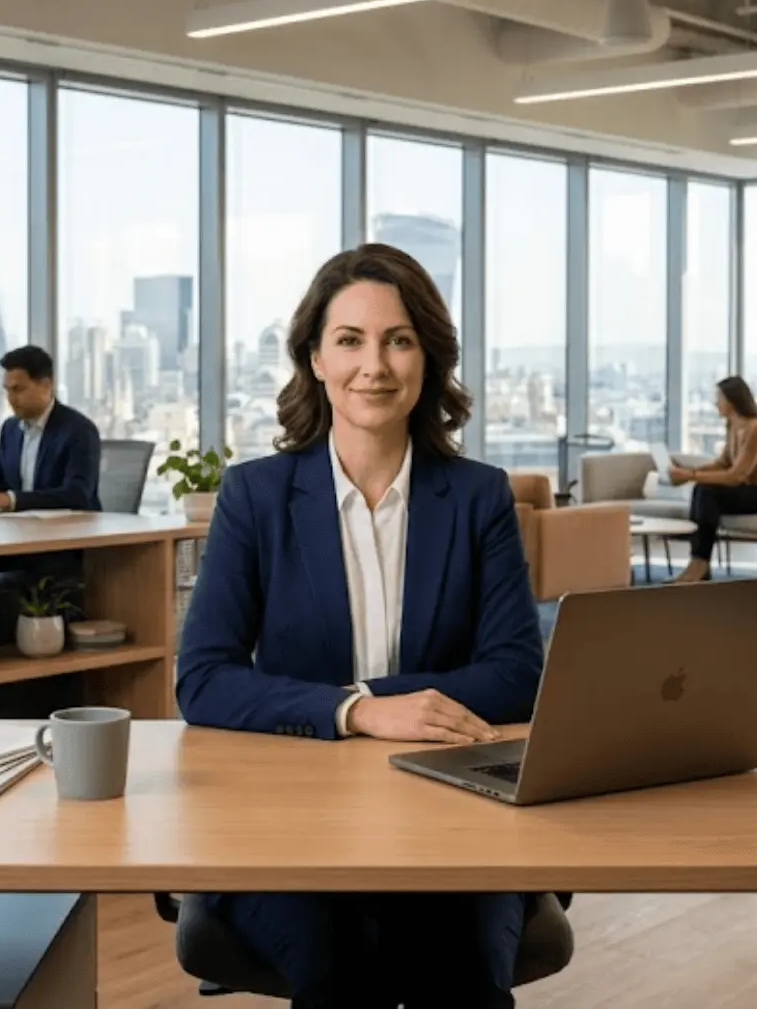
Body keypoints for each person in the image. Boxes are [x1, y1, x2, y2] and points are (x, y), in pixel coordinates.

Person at [175, 242, 543, 1009]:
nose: (373, 365)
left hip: (455, 816)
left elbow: (518, 674)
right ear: (314, 358)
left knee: (464, 975)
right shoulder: (254, 497)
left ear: (427, 359)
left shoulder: (478, 498)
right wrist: (361, 712)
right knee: (337, 971)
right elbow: (204, 679)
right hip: (289, 822)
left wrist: (369, 699)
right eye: (350, 340)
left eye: (398, 340)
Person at [667, 376, 757, 584]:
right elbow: (723, 463)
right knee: (702, 489)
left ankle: (699, 565)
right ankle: (699, 563)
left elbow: (736, 476)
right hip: (754, 490)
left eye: (719, 397)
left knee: (708, 491)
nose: (715, 402)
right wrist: (688, 473)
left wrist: (690, 476)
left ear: (732, 400)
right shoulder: (734, 426)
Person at [0, 345, 103, 513]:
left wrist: (11, 500)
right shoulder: (10, 429)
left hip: (70, 532)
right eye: (7, 390)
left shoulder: (79, 431)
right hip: (20, 530)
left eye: (18, 389)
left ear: (46, 386)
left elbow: (77, 495)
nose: (11, 399)